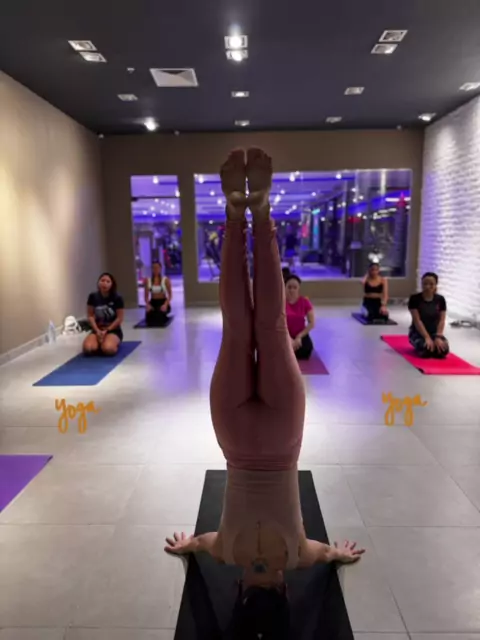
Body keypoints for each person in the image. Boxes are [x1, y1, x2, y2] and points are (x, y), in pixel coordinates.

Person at [164, 148, 364, 637]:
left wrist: (339, 554)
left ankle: (259, 211)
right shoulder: (227, 553)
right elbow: (201, 542)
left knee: (268, 327)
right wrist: (186, 546)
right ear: (237, 591)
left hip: (280, 437)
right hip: (236, 437)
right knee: (241, 328)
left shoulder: (297, 557)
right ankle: (238, 213)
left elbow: (328, 553)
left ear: (286, 592)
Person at [408, 272, 449, 358]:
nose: (427, 287)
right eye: (425, 284)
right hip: (418, 333)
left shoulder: (440, 299)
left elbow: (442, 320)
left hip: (434, 332)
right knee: (427, 350)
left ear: (435, 285)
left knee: (443, 351)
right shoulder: (414, 299)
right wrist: (426, 337)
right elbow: (417, 321)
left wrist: (438, 337)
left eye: (431, 284)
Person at [83, 273, 124, 355]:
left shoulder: (118, 298)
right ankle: (99, 342)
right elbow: (90, 315)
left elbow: (119, 318)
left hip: (112, 330)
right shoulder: (92, 296)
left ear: (112, 285)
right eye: (102, 281)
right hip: (98, 329)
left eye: (108, 282)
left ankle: (110, 341)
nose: (104, 283)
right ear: (98, 282)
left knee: (108, 349)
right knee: (88, 348)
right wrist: (97, 330)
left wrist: (107, 330)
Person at [285, 274, 315, 360]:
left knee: (307, 349)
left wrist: (299, 337)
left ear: (298, 289)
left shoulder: (305, 302)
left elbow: (312, 323)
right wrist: (289, 339)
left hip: (300, 334)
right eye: (289, 287)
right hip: (284, 334)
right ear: (285, 288)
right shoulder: (280, 302)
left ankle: (291, 352)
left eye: (295, 288)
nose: (292, 290)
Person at [144, 261, 172, 327]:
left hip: (163, 301)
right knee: (150, 318)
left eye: (157, 268)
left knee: (159, 317)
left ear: (160, 268)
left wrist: (165, 304)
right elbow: (146, 296)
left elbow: (170, 295)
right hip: (153, 302)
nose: (155, 269)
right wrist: (148, 304)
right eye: (154, 268)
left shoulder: (165, 280)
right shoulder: (148, 280)